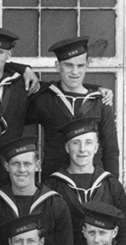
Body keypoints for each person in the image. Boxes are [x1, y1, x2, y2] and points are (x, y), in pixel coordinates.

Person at [27, 37, 119, 175]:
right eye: (68, 65)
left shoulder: (100, 102)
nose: (74, 72)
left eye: (80, 66)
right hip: (55, 182)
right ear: (58, 66)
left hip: (93, 183)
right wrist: (23, 69)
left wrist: (112, 187)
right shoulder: (45, 99)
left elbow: (110, 150)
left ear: (87, 65)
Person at [43, 117, 126, 245]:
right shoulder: (53, 185)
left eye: (88, 143)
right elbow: (47, 236)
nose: (82, 149)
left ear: (96, 147)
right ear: (67, 147)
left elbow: (125, 233)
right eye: (76, 143)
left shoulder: (111, 185)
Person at [0, 136, 73, 245]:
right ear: (6, 166)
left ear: (37, 165)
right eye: (15, 164)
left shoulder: (55, 204)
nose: (21, 169)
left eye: (27, 164)